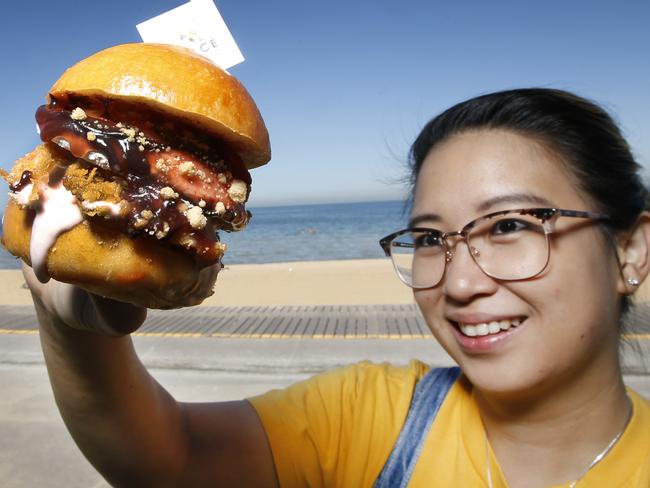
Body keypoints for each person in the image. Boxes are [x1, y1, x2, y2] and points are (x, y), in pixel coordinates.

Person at [24, 88, 650, 487]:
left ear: (631, 249)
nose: (459, 282)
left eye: (511, 225)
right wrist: (74, 324)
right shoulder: (378, 415)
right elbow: (168, 458)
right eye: (430, 238)